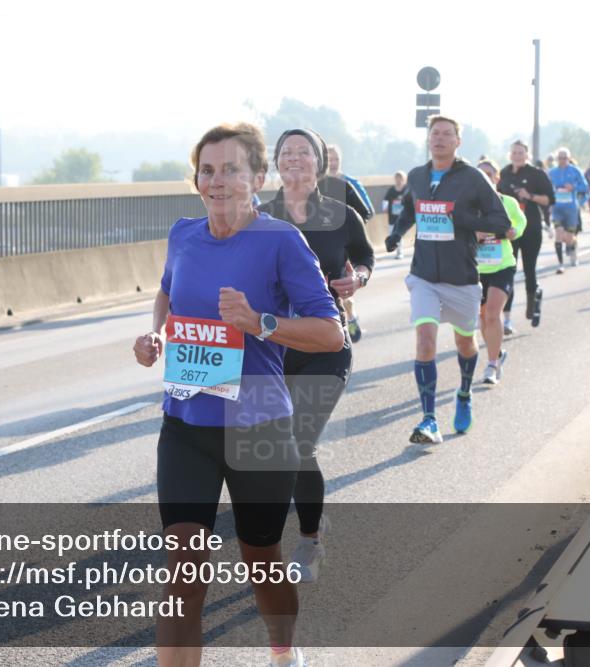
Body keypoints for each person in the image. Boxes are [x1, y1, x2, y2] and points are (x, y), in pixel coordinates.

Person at [133, 122, 344, 667]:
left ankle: (283, 650)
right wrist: (158, 333)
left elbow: (329, 332)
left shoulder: (280, 240)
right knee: (184, 571)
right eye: (208, 169)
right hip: (186, 426)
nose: (217, 180)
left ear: (257, 176)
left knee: (263, 564)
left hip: (259, 427)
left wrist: (259, 322)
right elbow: (166, 291)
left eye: (231, 169)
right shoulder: (183, 234)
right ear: (196, 178)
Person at [258, 128, 374, 585]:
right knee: (272, 449)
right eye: (286, 152)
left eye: (304, 152)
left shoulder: (341, 215)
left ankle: (308, 542)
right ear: (275, 164)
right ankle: (308, 514)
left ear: (319, 162)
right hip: (274, 347)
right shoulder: (259, 216)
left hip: (326, 346)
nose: (295, 159)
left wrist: (358, 280)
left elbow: (365, 258)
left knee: (298, 444)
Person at [384, 115, 510, 443]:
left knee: (465, 342)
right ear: (428, 139)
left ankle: (464, 393)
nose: (439, 138)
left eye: (447, 134)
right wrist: (397, 233)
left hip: (462, 278)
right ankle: (428, 419)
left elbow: (501, 221)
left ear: (458, 142)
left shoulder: (472, 178)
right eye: (435, 133)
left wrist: (461, 217)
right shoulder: (417, 176)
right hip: (424, 275)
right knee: (425, 340)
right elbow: (411, 210)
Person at [475, 159, 525, 385]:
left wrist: (514, 231)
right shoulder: (468, 205)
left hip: (502, 264)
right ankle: (496, 354)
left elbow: (521, 222)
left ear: (496, 178)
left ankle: (492, 365)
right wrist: (473, 236)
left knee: (493, 314)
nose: (485, 178)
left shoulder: (508, 202)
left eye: (488, 174)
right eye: (480, 175)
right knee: (483, 318)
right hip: (475, 267)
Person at [498, 140, 555, 333]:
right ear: (510, 154)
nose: (517, 155)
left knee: (529, 269)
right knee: (508, 271)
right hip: (510, 230)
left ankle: (533, 300)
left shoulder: (536, 174)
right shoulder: (504, 173)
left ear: (527, 154)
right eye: (514, 152)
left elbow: (549, 199)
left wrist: (529, 196)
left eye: (521, 152)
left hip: (531, 227)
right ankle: (506, 319)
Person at [320, 144, 374, 343]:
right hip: (319, 245)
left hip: (343, 245)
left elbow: (367, 212)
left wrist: (347, 226)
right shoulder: (312, 185)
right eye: (328, 159)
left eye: (335, 159)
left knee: (341, 292)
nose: (331, 163)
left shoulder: (347, 184)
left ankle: (347, 319)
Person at [548, 148, 588, 273]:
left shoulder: (575, 171)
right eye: (560, 158)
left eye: (565, 158)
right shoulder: (552, 172)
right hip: (557, 208)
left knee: (569, 237)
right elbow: (546, 188)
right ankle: (561, 264)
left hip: (571, 208)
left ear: (569, 158)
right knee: (559, 234)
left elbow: (585, 187)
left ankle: (573, 246)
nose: (562, 160)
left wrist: (573, 187)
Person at [383, 170, 410, 259]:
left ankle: (399, 252)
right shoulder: (391, 190)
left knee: (398, 234)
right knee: (392, 233)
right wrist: (385, 208)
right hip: (392, 217)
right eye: (397, 178)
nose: (398, 180)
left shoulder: (406, 190)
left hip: (402, 217)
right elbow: (385, 200)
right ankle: (395, 249)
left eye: (400, 178)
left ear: (404, 179)